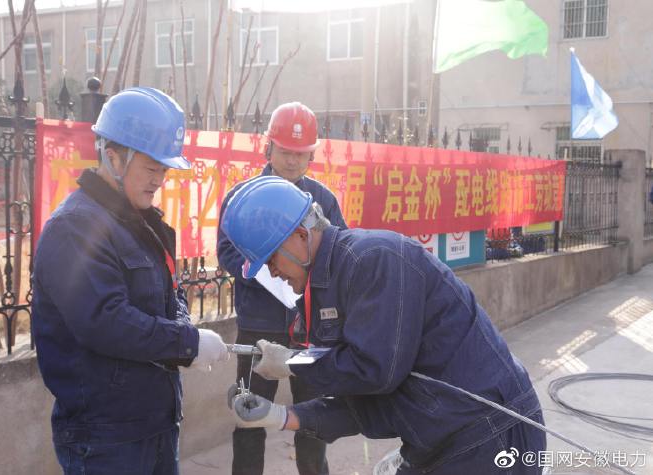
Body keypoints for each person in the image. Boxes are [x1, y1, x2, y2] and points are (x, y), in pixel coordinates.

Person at [221, 176, 547, 474]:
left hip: (490, 434)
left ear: (301, 236)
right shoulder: (324, 291)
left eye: (270, 259)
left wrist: (293, 364)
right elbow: (364, 400)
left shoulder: (374, 260)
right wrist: (279, 416)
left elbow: (375, 371)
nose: (272, 273)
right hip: (436, 438)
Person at [32, 87, 229, 475]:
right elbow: (106, 322)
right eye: (151, 168)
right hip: (106, 435)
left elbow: (169, 293)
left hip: (155, 421)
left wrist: (184, 333)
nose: (160, 180)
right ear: (113, 157)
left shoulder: (140, 221)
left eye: (164, 171)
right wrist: (187, 344)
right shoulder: (75, 227)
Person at [217, 102, 346, 475]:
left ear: (311, 156)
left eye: (301, 154)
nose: (292, 161)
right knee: (249, 419)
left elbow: (339, 250)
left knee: (313, 422)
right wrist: (270, 274)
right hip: (259, 328)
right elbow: (227, 251)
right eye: (286, 151)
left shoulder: (323, 201)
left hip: (311, 332)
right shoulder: (244, 197)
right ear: (268, 148)